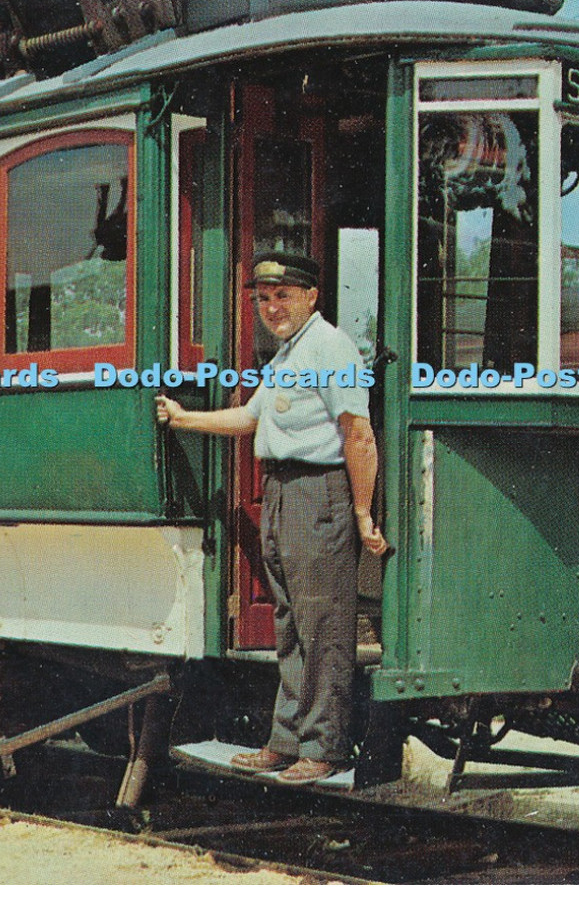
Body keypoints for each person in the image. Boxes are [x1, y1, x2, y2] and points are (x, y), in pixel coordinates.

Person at [155, 251, 387, 784]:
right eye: (263, 298)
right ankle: (286, 740)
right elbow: (249, 417)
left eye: (282, 295)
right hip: (281, 489)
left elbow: (359, 434)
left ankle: (325, 747)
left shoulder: (332, 347)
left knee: (322, 625)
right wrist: (185, 418)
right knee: (289, 622)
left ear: (311, 296)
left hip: (319, 490)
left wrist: (360, 511)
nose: (271, 306)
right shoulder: (289, 354)